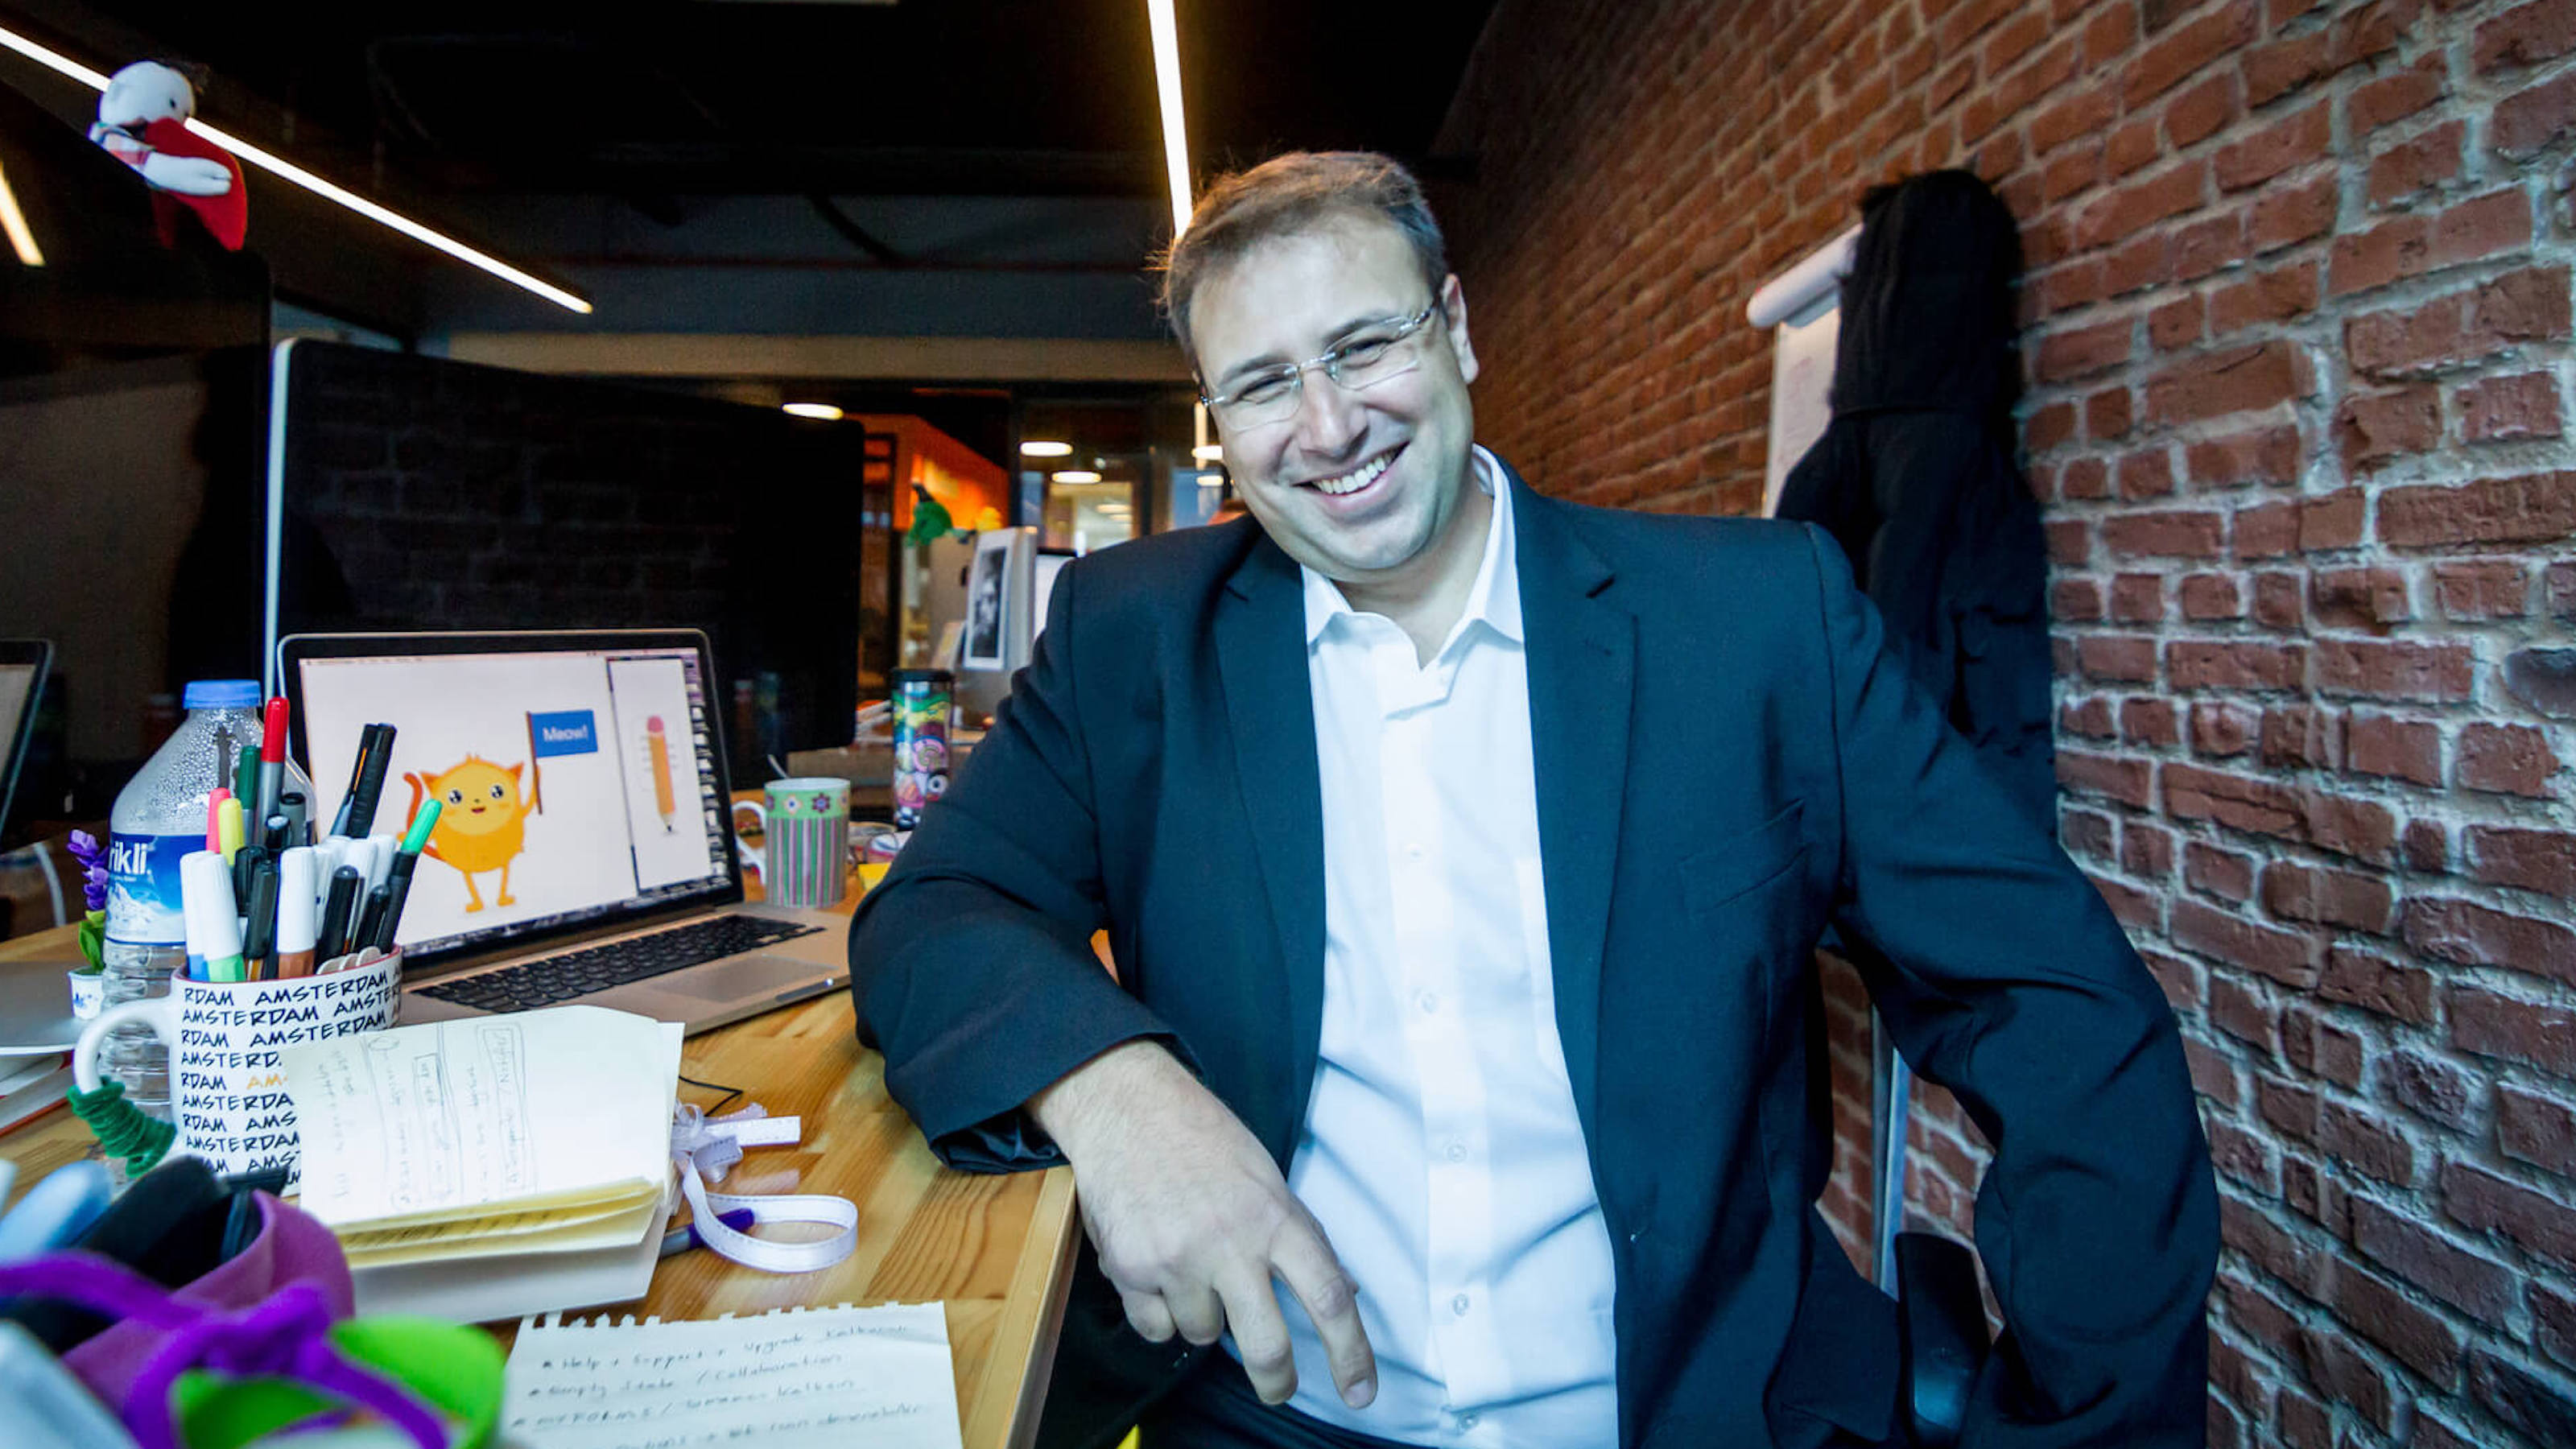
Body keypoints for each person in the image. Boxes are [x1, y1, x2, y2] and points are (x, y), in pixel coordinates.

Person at [849, 152, 2216, 1449]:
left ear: (1454, 328)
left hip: (1701, 1414)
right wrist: (1115, 1091)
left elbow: (2058, 1012)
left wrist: (2078, 1425)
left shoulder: (1755, 623)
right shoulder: (1130, 640)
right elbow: (933, 914)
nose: (1328, 428)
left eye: (1364, 347)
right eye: (1263, 384)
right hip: (1272, 1417)